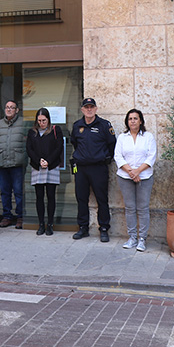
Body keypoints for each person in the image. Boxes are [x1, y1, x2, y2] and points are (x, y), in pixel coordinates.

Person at [70, 97, 116, 242]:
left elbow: (112, 144)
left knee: (102, 199)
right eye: (86, 107)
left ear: (96, 109)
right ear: (82, 109)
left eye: (91, 107)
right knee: (81, 198)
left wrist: (104, 158)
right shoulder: (77, 126)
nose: (89, 110)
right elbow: (74, 143)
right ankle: (83, 228)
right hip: (81, 169)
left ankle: (103, 228)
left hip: (98, 168)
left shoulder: (104, 125)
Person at [114, 108, 157, 252]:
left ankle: (142, 239)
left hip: (144, 177)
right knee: (130, 208)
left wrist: (138, 171)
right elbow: (118, 156)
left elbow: (151, 156)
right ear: (127, 121)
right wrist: (131, 172)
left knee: (143, 208)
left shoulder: (148, 137)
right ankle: (132, 237)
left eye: (135, 118)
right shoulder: (122, 137)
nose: (133, 121)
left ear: (141, 121)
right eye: (130, 118)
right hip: (125, 177)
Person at [26, 107, 63, 236]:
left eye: (44, 120)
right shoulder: (32, 132)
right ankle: (41, 224)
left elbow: (59, 147)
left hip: (51, 166)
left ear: (48, 119)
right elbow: (29, 149)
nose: (42, 123)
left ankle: (50, 224)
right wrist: (39, 161)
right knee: (39, 196)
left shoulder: (55, 130)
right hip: (37, 167)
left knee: (51, 196)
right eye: (39, 120)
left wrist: (48, 161)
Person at [0, 100, 28, 229]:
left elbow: (28, 141)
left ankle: (20, 216)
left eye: (12, 108)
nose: (9, 110)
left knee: (18, 191)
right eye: (7, 107)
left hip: (17, 162)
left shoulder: (23, 123)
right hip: (2, 162)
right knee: (4, 192)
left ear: (17, 110)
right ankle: (7, 216)